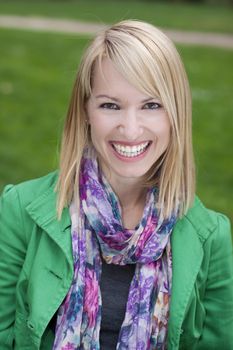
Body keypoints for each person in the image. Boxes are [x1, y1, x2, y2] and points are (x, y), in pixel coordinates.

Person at [0, 19, 233, 350]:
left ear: (175, 114)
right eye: (110, 105)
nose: (131, 128)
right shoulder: (19, 211)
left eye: (151, 105)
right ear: (86, 111)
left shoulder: (211, 238)